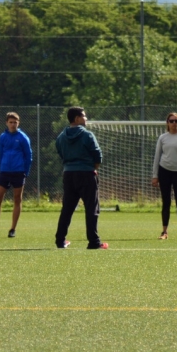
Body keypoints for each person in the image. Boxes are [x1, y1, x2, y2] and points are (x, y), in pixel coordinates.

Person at [54, 107, 108, 250]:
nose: (86, 118)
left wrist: (69, 163)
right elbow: (97, 154)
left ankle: (60, 240)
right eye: (84, 116)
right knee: (91, 208)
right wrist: (93, 167)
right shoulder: (87, 135)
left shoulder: (61, 136)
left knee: (67, 208)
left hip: (68, 174)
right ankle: (94, 242)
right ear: (77, 118)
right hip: (86, 174)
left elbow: (59, 149)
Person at [0, 112, 33, 238]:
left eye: (15, 122)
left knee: (17, 199)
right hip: (5, 172)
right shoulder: (3, 137)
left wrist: (25, 172)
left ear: (18, 123)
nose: (13, 124)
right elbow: (1, 154)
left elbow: (29, 156)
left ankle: (12, 229)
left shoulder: (23, 137)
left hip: (18, 172)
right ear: (6, 123)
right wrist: (2, 168)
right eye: (11, 122)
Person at [150, 112, 177, 240]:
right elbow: (157, 157)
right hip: (164, 171)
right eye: (171, 121)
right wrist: (155, 175)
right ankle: (164, 232)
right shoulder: (163, 138)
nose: (174, 123)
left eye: (176, 121)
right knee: (166, 202)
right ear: (167, 123)